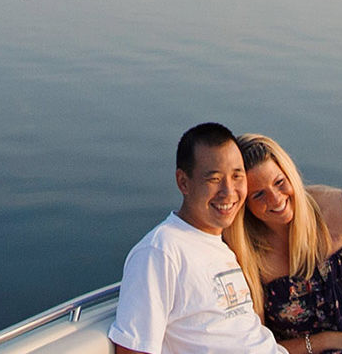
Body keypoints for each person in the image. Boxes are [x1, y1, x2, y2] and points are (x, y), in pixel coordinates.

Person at [224, 134, 342, 354]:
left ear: (290, 174)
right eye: (259, 194)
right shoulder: (243, 254)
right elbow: (257, 345)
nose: (276, 199)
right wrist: (328, 341)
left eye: (279, 182)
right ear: (244, 202)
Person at [109, 123, 289, 354]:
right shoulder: (161, 251)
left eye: (237, 176)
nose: (229, 192)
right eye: (214, 179)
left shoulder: (220, 246)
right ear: (183, 182)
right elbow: (132, 350)